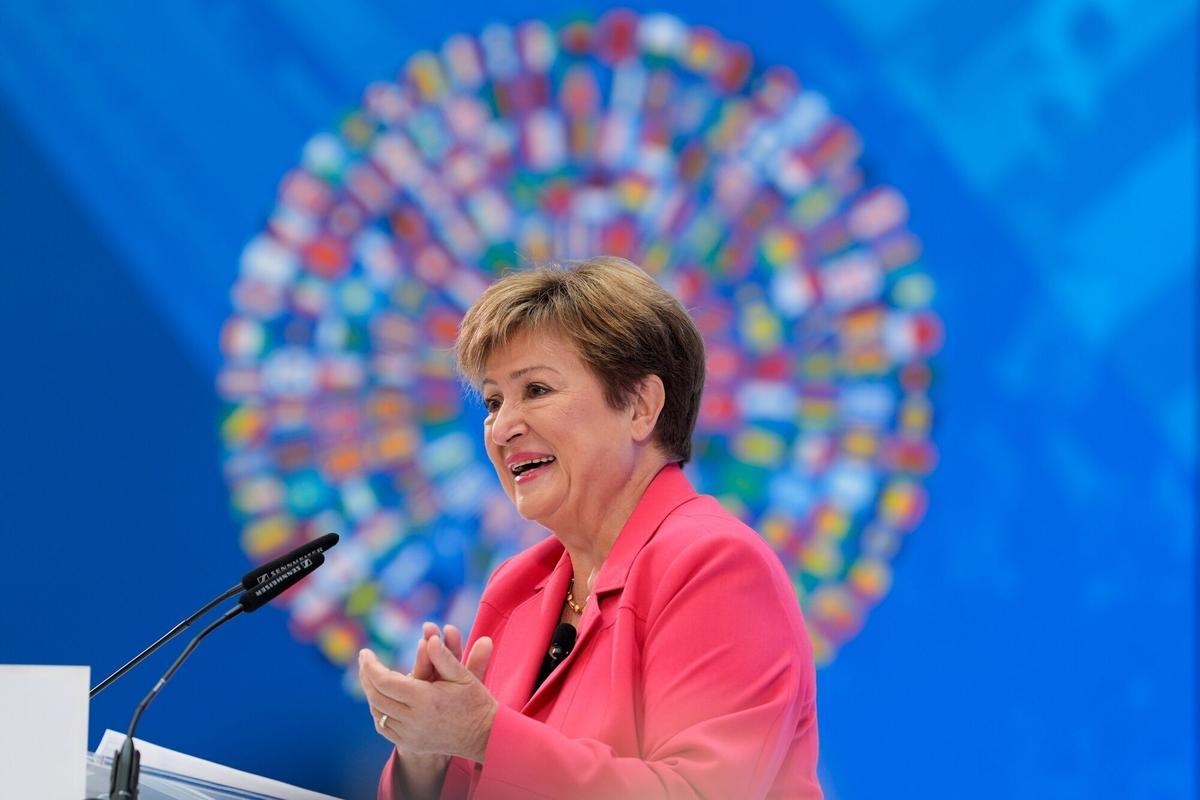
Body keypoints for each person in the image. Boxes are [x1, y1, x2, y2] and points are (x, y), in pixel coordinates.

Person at [358, 256, 822, 799]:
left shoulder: (715, 565)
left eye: (536, 390)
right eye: (492, 400)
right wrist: (426, 756)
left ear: (640, 407)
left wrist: (485, 733)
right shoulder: (516, 586)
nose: (503, 427)